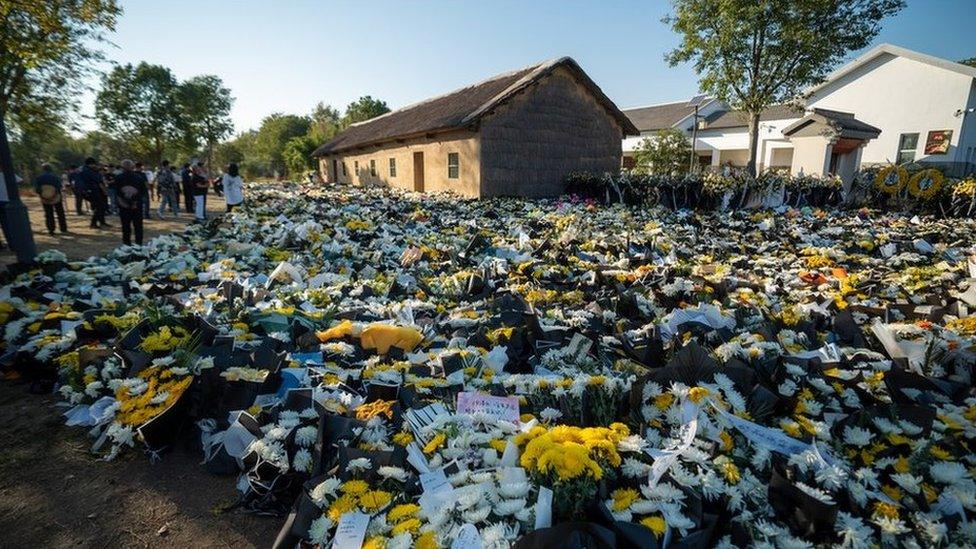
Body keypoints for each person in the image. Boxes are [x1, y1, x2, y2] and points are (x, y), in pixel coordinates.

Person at [114, 159, 147, 246]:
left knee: (126, 226)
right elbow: (143, 192)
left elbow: (117, 192)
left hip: (123, 205)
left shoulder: (118, 178)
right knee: (138, 226)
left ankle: (126, 244)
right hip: (136, 205)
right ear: (133, 167)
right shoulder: (139, 178)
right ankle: (138, 244)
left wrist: (125, 201)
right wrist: (134, 202)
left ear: (122, 168)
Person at [34, 163, 68, 235]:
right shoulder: (55, 177)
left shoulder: (39, 178)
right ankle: (63, 228)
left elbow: (37, 189)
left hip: (45, 197)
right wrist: (55, 194)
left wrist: (42, 195)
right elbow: (59, 187)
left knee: (48, 213)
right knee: (60, 212)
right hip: (56, 196)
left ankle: (51, 229)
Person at [79, 157, 109, 229]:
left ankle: (101, 222)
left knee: (99, 206)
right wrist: (98, 171)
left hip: (87, 190)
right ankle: (93, 223)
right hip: (91, 190)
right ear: (91, 164)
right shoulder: (88, 171)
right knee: (100, 206)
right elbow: (97, 179)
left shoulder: (82, 169)